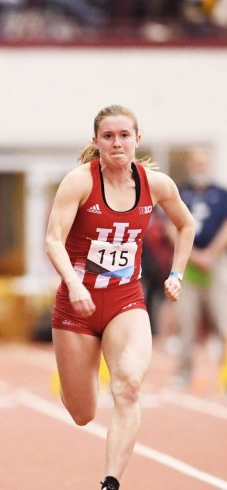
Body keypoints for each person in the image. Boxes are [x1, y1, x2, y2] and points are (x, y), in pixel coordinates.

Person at [45, 105, 194, 490]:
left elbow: (186, 223)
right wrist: (73, 285)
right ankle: (73, 374)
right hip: (76, 307)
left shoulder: (156, 184)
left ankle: (110, 481)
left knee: (128, 385)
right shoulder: (79, 182)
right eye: (108, 136)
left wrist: (177, 272)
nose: (116, 143)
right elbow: (52, 240)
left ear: (137, 139)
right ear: (96, 141)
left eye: (124, 135)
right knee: (82, 412)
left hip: (126, 301)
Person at [173, 147, 227, 387]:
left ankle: (224, 376)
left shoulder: (222, 194)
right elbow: (169, 227)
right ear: (189, 164)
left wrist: (211, 254)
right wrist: (193, 255)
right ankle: (183, 375)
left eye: (204, 163)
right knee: (186, 325)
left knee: (224, 322)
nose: (200, 167)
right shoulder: (180, 193)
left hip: (216, 265)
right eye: (196, 163)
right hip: (186, 265)